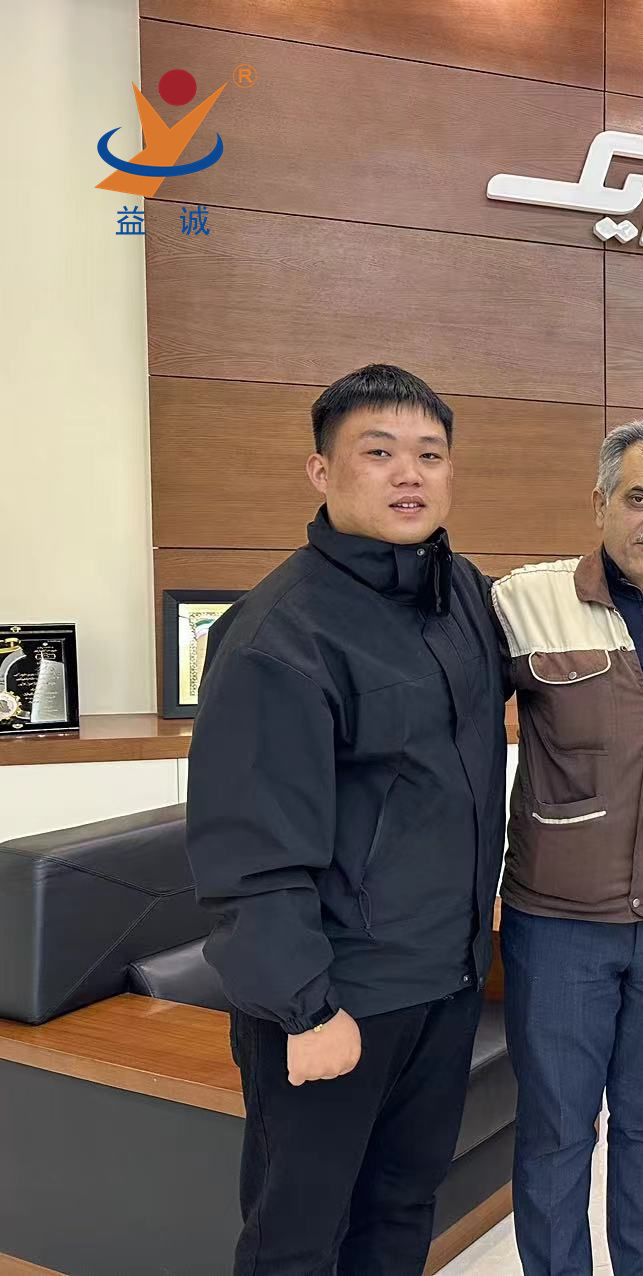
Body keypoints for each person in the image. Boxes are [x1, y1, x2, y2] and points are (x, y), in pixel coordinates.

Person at [186, 363, 508, 1275]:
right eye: (379, 453)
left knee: (401, 1214)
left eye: (429, 455)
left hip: (445, 981)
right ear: (321, 471)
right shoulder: (278, 633)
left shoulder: (462, 594)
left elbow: (571, 622)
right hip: (338, 998)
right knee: (296, 1240)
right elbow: (252, 852)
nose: (409, 474)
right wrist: (307, 1010)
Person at [489, 419, 643, 1275]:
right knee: (557, 1131)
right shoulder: (523, 602)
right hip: (558, 924)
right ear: (599, 501)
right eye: (640, 499)